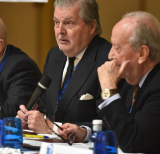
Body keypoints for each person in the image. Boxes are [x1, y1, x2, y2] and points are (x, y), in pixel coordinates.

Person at [58, 11, 160, 154]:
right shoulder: (131, 82)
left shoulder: (157, 86)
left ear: (142, 53)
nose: (110, 55)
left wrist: (109, 89)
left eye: (117, 48)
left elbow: (133, 142)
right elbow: (117, 125)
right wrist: (85, 132)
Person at [17, 0, 111, 136]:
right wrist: (30, 120)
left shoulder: (108, 59)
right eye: (56, 23)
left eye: (69, 23)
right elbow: (46, 108)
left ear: (92, 27)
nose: (60, 31)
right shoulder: (54, 56)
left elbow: (110, 122)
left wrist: (54, 129)